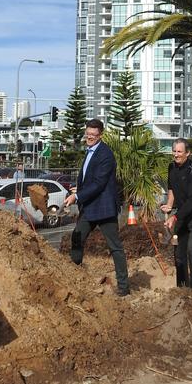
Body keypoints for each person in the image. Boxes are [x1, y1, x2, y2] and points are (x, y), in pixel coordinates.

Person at [63, 119, 130, 296]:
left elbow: (100, 183)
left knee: (115, 247)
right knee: (77, 238)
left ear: (100, 135)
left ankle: (124, 288)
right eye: (88, 134)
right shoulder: (90, 151)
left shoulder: (105, 154)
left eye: (93, 135)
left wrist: (77, 196)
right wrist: (80, 189)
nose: (89, 137)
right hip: (90, 206)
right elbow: (91, 178)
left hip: (104, 208)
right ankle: (74, 278)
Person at [160, 139, 192, 291]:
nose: (176, 154)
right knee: (179, 251)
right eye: (174, 151)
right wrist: (169, 204)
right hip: (181, 212)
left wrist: (175, 217)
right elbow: (172, 188)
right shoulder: (171, 167)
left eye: (179, 151)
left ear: (187, 153)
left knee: (191, 249)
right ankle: (181, 288)